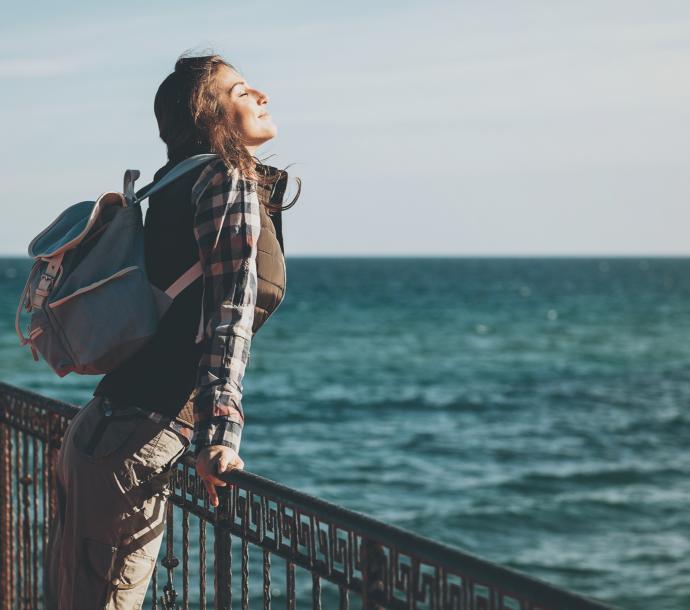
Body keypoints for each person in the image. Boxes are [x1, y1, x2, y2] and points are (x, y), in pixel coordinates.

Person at [45, 52, 301, 610]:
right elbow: (227, 319)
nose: (261, 96)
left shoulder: (170, 183)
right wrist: (220, 439)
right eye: (241, 91)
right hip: (133, 444)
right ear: (209, 113)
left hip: (101, 432)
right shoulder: (224, 180)